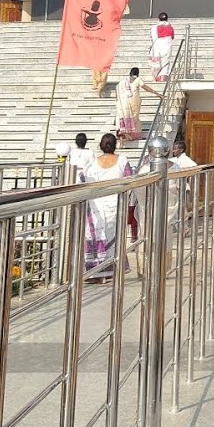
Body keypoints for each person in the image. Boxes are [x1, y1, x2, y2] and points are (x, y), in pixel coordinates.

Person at [82, 133, 132, 280]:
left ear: (101, 146)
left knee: (97, 237)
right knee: (114, 238)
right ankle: (111, 270)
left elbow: (84, 179)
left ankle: (96, 273)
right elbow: (130, 179)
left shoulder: (93, 163)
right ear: (115, 145)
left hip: (96, 204)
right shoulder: (122, 160)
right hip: (115, 204)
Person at [114, 67, 162, 143]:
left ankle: (123, 135)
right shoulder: (137, 79)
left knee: (124, 118)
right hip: (133, 102)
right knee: (134, 119)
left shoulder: (122, 82)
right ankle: (128, 134)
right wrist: (157, 94)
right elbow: (145, 87)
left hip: (122, 104)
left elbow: (117, 93)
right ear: (137, 74)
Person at [150, 12, 176, 82]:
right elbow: (172, 37)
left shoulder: (154, 28)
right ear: (167, 19)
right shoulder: (170, 28)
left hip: (157, 48)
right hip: (167, 47)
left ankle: (156, 77)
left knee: (156, 64)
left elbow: (152, 38)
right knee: (166, 63)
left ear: (159, 19)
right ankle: (162, 77)